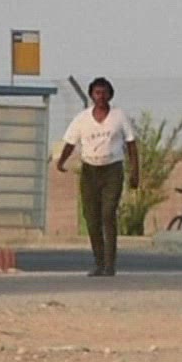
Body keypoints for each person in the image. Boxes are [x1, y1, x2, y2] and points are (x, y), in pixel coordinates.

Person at [55, 77, 139, 277]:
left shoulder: (119, 116)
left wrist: (135, 172)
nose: (101, 97)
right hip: (90, 171)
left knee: (108, 214)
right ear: (91, 95)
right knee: (92, 218)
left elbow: (131, 145)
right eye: (97, 93)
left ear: (110, 95)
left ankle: (110, 264)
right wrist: (61, 161)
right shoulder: (82, 119)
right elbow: (70, 142)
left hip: (112, 170)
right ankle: (99, 262)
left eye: (104, 93)